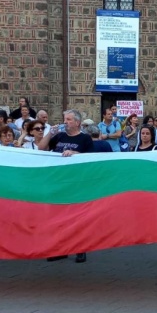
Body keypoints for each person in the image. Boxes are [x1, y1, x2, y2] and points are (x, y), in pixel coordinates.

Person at [38, 110, 93, 263]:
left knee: (76, 216)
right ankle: (60, 249)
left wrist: (74, 152)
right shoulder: (60, 137)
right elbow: (41, 148)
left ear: (77, 122)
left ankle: (80, 249)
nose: (65, 121)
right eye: (65, 119)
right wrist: (49, 133)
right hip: (58, 181)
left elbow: (91, 158)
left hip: (75, 182)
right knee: (58, 216)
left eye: (69, 119)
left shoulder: (85, 138)